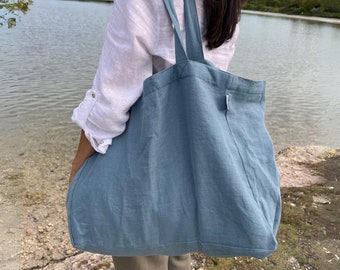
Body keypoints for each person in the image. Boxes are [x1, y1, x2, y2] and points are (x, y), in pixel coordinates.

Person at [69, 0, 242, 269]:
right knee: (179, 254)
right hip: (192, 162)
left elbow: (111, 103)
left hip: (142, 163)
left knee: (143, 252)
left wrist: (78, 165)